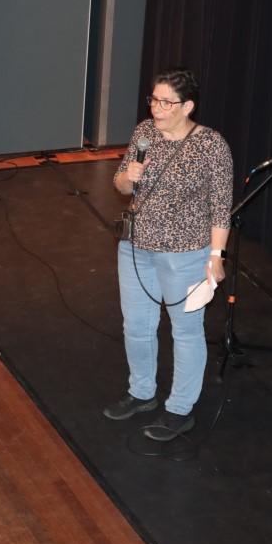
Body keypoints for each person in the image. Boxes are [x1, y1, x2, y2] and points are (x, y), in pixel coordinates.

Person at [103, 67, 233, 441]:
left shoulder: (211, 145)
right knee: (136, 326)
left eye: (166, 103)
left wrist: (216, 255)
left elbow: (220, 207)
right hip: (135, 248)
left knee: (186, 331)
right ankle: (141, 392)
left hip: (185, 254)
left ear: (187, 106)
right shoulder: (144, 132)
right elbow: (121, 185)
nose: (156, 109)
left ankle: (179, 409)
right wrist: (128, 176)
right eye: (154, 100)